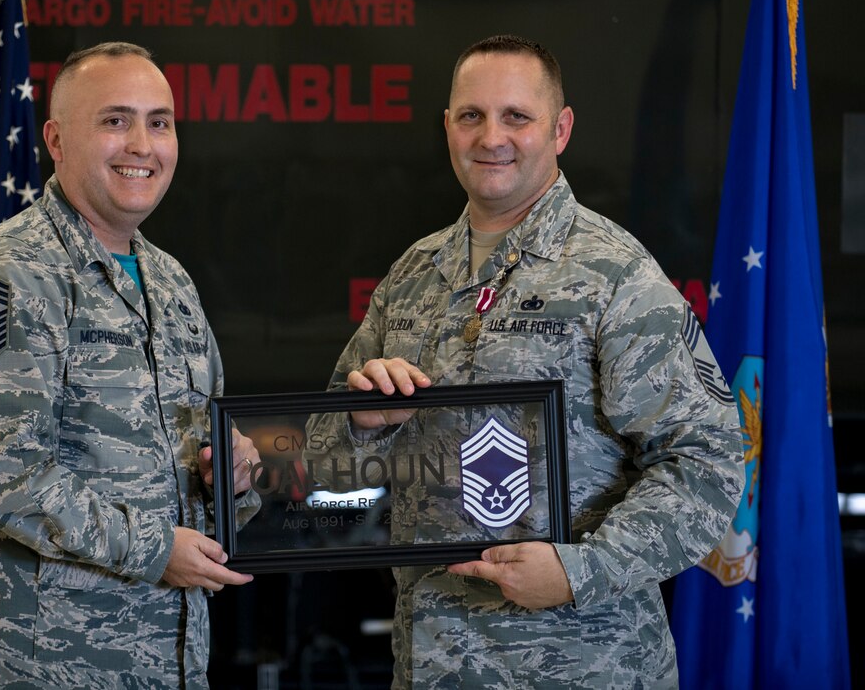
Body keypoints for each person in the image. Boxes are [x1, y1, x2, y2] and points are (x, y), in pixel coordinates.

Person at [309, 34, 744, 687]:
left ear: (560, 129)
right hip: (433, 664)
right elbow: (321, 457)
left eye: (517, 116)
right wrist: (360, 422)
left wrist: (578, 570)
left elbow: (707, 464)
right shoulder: (413, 275)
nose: (492, 137)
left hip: (584, 664)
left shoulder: (615, 275)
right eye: (472, 115)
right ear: (448, 126)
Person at [0, 42, 260, 689]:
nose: (143, 143)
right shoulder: (8, 272)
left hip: (167, 662)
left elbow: (195, 479)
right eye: (115, 121)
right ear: (55, 139)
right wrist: (155, 549)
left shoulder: (171, 283)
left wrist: (233, 475)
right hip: (41, 663)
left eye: (159, 122)